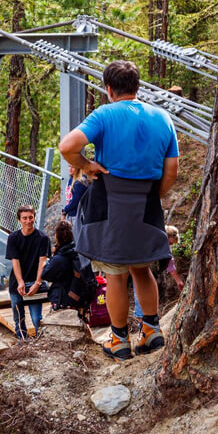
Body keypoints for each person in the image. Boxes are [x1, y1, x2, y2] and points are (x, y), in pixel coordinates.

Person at [58, 60, 179, 359]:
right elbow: (172, 170)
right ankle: (152, 332)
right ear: (136, 87)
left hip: (110, 206)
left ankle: (119, 340)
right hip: (146, 205)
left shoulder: (104, 114)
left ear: (109, 89)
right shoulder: (162, 118)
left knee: (115, 274)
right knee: (142, 268)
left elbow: (67, 146)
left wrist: (87, 165)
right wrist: (153, 196)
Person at [5, 206, 51, 340]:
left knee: (37, 318)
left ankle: (40, 342)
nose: (28, 221)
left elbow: (42, 262)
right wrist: (20, 282)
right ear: (19, 220)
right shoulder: (13, 238)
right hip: (17, 283)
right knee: (19, 317)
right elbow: (15, 261)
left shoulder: (43, 238)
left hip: (34, 282)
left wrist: (37, 283)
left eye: (30, 217)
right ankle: (22, 340)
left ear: (34, 218)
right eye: (24, 218)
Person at [132, 225, 185, 325]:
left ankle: (149, 320)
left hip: (150, 271)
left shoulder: (165, 246)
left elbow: (170, 263)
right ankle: (141, 322)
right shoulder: (151, 239)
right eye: (169, 243)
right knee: (138, 292)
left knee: (149, 293)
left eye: (171, 244)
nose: (169, 246)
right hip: (139, 267)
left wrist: (178, 281)